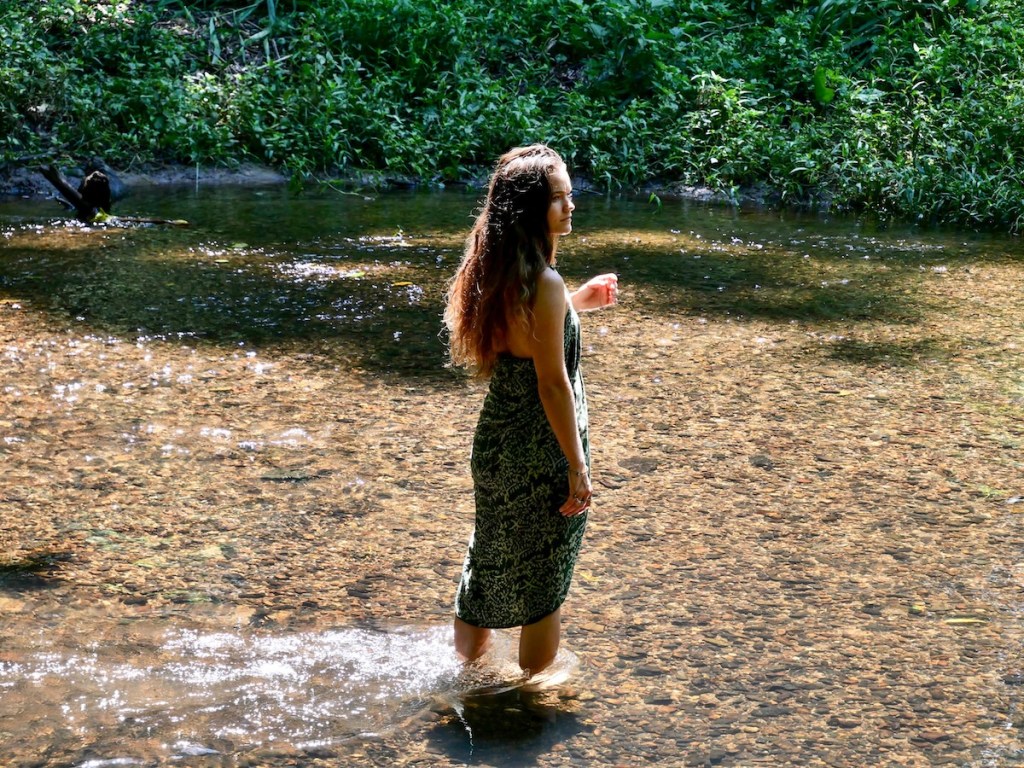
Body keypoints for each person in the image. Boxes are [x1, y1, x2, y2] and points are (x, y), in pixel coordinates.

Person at [444, 144, 618, 676]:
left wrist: (577, 302)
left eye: (570, 195)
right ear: (529, 211)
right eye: (559, 199)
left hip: (495, 447)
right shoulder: (544, 282)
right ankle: (533, 696)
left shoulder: (492, 271)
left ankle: (465, 678)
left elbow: (525, 333)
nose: (571, 207)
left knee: (489, 563)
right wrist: (577, 466)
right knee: (544, 583)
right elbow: (551, 383)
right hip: (539, 453)